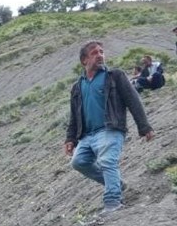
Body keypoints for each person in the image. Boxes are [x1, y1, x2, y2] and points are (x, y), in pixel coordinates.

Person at [65, 41, 155, 216]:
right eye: (94, 53)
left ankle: (113, 202)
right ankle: (117, 184)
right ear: (84, 60)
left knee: (107, 161)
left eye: (101, 52)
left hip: (110, 129)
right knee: (78, 162)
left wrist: (144, 127)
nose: (100, 55)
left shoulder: (115, 76)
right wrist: (70, 139)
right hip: (87, 135)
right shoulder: (77, 86)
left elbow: (133, 101)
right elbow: (74, 115)